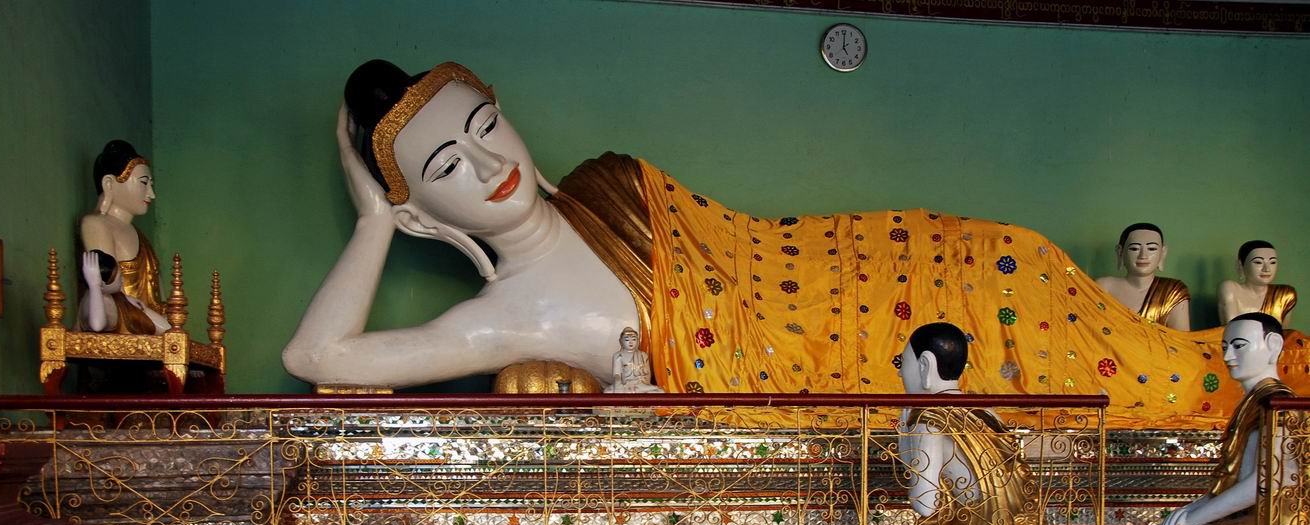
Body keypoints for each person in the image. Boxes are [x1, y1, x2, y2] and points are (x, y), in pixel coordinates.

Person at [282, 58, 1310, 428]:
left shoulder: (611, 183)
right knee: (989, 347)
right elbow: (316, 360)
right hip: (803, 357)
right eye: (450, 167)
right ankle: (1203, 359)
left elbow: (743, 241)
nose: (489, 161)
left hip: (826, 263)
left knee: (1013, 256)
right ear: (427, 212)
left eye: (484, 128)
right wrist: (374, 219)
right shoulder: (501, 316)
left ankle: (1188, 341)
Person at [866, 322, 1066, 525]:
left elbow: (925, 504)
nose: (901, 373)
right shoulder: (986, 411)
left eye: (903, 363)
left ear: (925, 366)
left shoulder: (928, 420)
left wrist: (907, 432)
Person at [1137, 313, 1306, 525]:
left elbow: (1263, 483)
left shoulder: (1278, 404)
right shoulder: (1252, 402)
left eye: (1239, 346)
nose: (1228, 357)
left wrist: (1190, 521)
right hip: (1245, 516)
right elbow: (1237, 479)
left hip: (1276, 524)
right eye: (1225, 348)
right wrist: (1187, 512)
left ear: (1273, 345)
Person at [79, 140, 168, 335]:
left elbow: (159, 294)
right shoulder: (96, 224)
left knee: (173, 331)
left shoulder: (141, 236)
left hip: (147, 315)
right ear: (109, 184)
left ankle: (169, 331)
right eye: (144, 183)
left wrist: (169, 314)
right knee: (106, 303)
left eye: (151, 185)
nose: (151, 194)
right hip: (121, 311)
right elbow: (107, 279)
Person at [1094, 223, 1190, 329]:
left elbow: (1181, 341)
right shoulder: (1104, 287)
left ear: (1162, 253)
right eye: (1134, 249)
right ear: (1120, 252)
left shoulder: (1173, 291)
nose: (1143, 256)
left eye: (1152, 249)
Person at [78, 249, 168, 334]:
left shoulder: (113, 296)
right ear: (102, 284)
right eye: (119, 277)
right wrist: (95, 286)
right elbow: (97, 325)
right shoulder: (94, 299)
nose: (122, 280)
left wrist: (126, 298)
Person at [1218, 240, 1296, 324]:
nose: (1267, 269)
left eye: (1272, 262)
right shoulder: (1230, 289)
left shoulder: (1285, 294)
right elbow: (1233, 330)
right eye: (1258, 262)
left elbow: (1283, 334)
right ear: (1241, 265)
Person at [605, 326, 662, 393]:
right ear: (621, 341)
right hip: (625, 385)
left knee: (660, 391)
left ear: (638, 341)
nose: (631, 342)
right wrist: (619, 385)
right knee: (607, 392)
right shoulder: (618, 356)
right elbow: (616, 374)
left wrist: (643, 382)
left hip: (640, 385)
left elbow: (648, 374)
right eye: (627, 340)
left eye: (634, 339)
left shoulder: (643, 355)